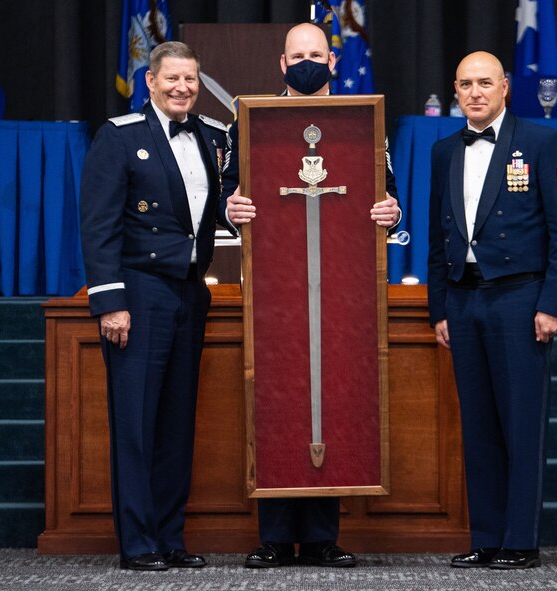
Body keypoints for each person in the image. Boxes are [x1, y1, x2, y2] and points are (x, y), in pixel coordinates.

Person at [224, 23, 401, 569]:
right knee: (278, 391)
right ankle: (275, 535)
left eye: (315, 54)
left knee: (333, 390)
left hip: (343, 286)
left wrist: (392, 210)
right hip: (273, 286)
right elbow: (230, 191)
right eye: (297, 55)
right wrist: (232, 210)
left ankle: (323, 535)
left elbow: (388, 192)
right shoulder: (249, 121)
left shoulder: (359, 121)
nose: (306, 62)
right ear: (281, 64)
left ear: (333, 59)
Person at [427, 51, 557, 570]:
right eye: (466, 84)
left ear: (505, 87)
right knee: (477, 426)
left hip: (520, 298)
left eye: (485, 83)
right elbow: (437, 238)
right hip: (464, 297)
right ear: (455, 89)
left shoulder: (543, 142)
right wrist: (439, 308)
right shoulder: (443, 150)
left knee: (520, 423)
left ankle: (520, 541)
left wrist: (553, 305)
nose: (475, 92)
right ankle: (487, 537)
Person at [79, 41, 233, 572]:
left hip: (192, 291)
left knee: (175, 422)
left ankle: (170, 538)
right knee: (137, 422)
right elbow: (99, 227)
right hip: (139, 294)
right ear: (150, 81)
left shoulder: (214, 138)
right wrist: (110, 303)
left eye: (190, 79)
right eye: (172, 79)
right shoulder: (119, 137)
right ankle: (139, 542)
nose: (182, 88)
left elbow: (234, 206)